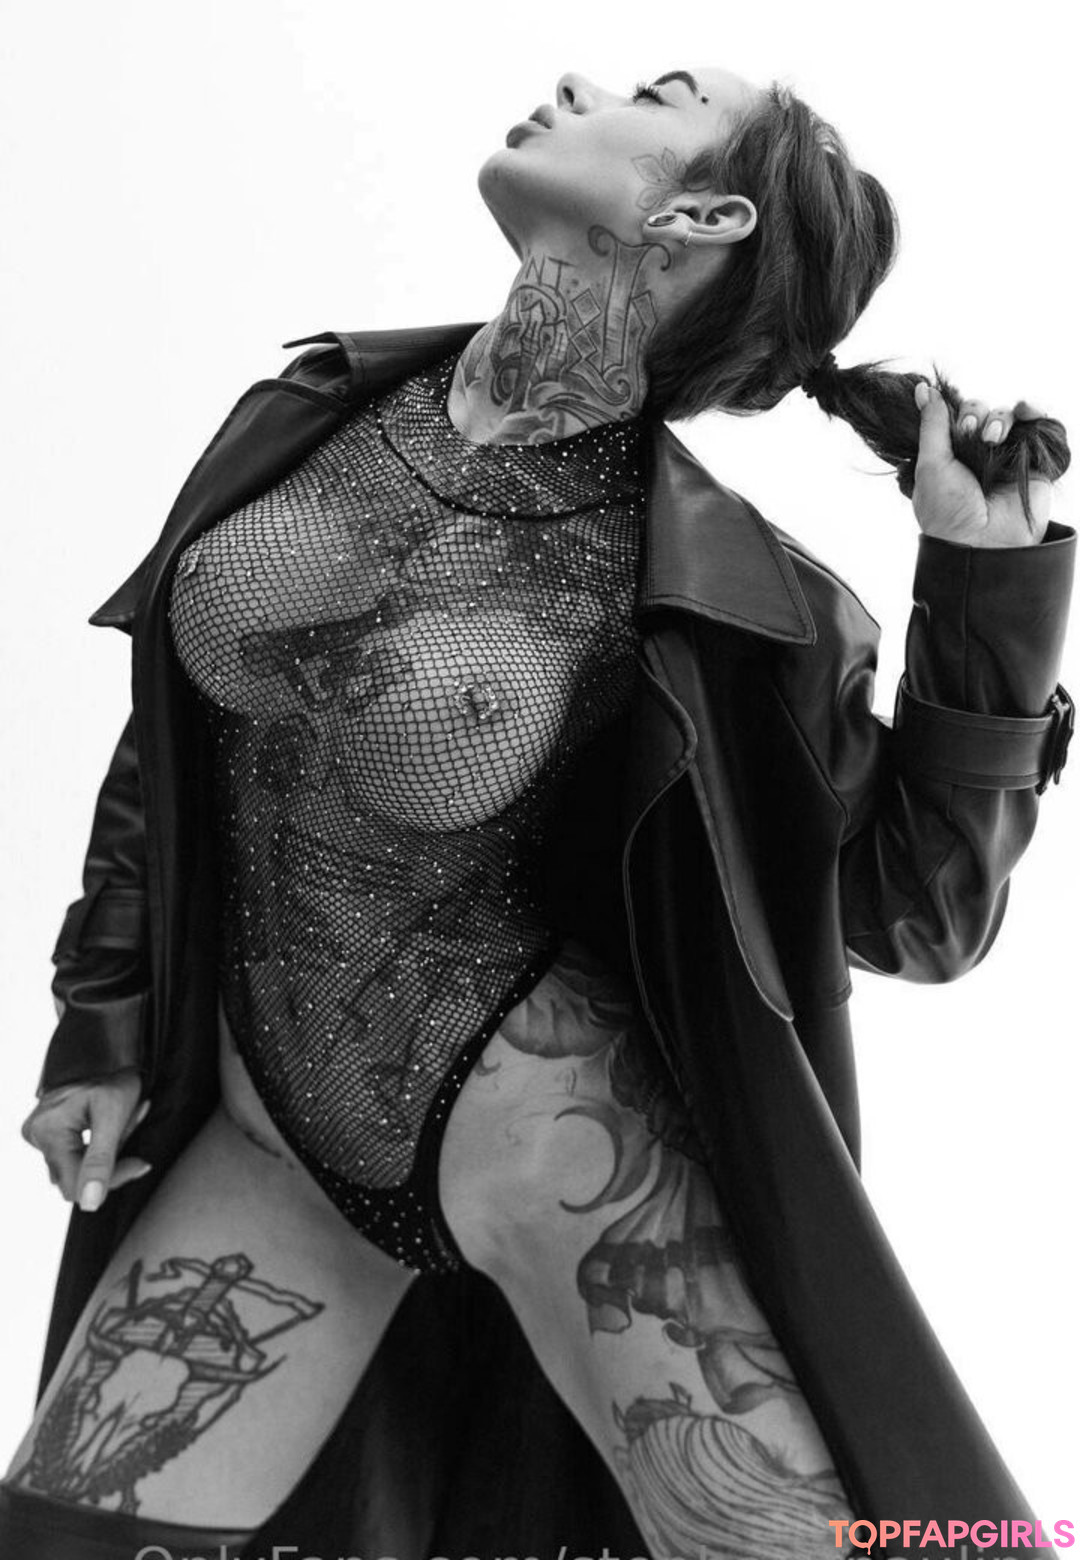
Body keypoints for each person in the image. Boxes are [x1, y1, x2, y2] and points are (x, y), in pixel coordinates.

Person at [2, 62, 1074, 1560]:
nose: (575, 82)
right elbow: (174, 736)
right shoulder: (315, 412)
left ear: (703, 215)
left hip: (562, 1162)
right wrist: (103, 1020)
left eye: (654, 94)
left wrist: (989, 588)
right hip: (270, 1148)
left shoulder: (722, 592)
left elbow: (916, 915)